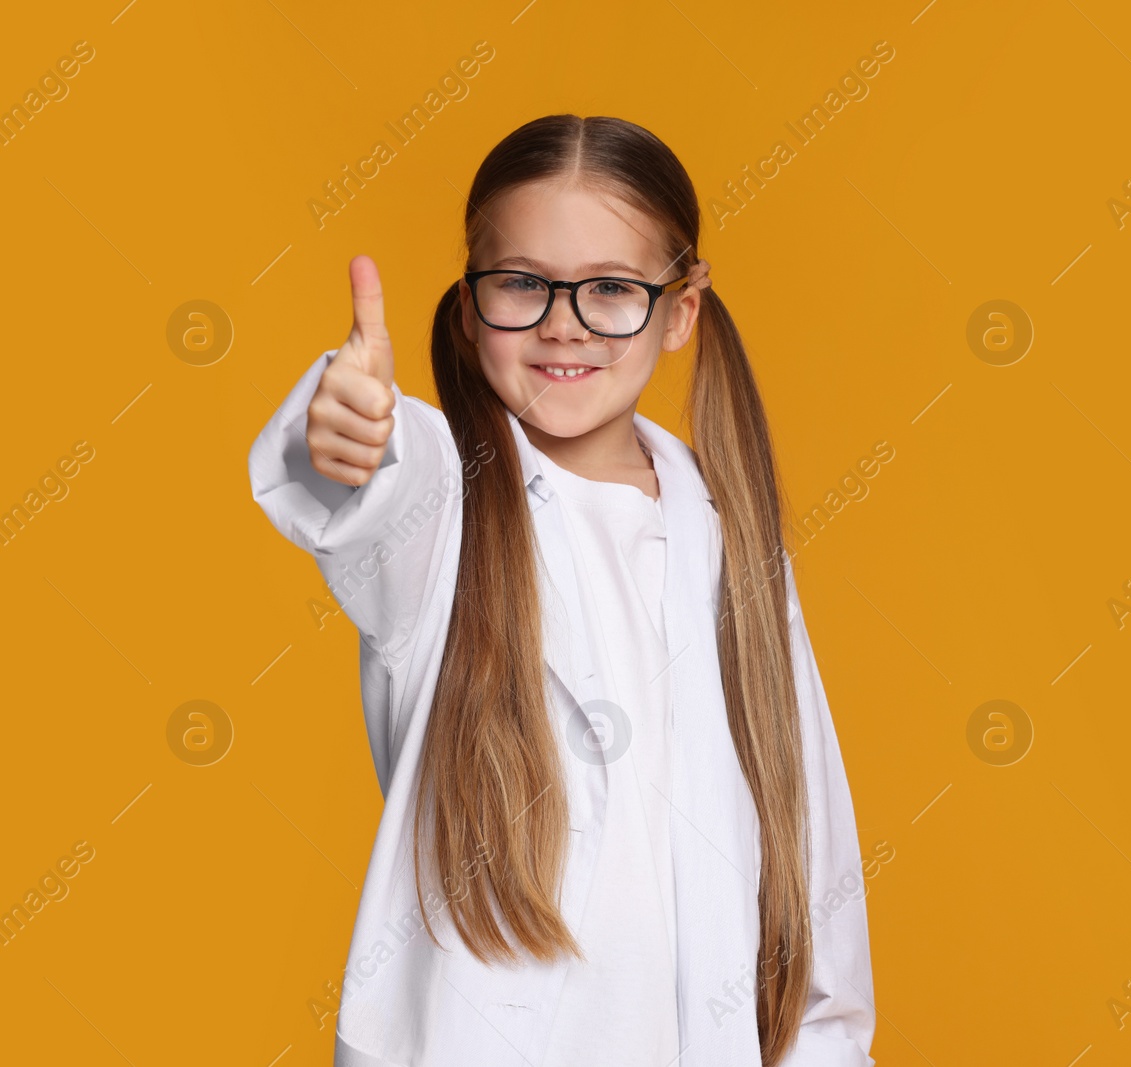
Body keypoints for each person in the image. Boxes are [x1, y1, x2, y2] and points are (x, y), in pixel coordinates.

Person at [247, 114, 875, 1067]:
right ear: (469, 304)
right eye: (522, 283)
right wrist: (350, 430)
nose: (563, 323)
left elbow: (813, 885)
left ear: (679, 310)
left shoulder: (733, 550)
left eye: (612, 289)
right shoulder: (446, 516)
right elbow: (373, 486)